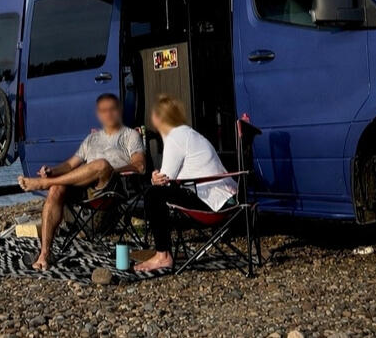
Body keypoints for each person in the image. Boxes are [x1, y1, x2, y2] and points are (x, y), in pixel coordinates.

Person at [17, 93, 145, 271]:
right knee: (56, 189)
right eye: (103, 110)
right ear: (99, 114)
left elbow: (140, 165)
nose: (108, 114)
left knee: (101, 164)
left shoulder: (130, 136)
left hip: (111, 187)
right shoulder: (92, 139)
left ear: (119, 111)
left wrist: (110, 170)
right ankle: (44, 254)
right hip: (85, 188)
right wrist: (52, 171)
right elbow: (70, 165)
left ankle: (43, 184)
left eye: (112, 109)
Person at [134, 94, 237, 272]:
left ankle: (162, 256)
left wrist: (154, 179)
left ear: (158, 118)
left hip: (212, 201)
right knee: (158, 192)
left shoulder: (175, 137)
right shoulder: (188, 133)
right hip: (225, 197)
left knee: (153, 195)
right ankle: (162, 254)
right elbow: (168, 178)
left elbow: (164, 181)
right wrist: (159, 179)